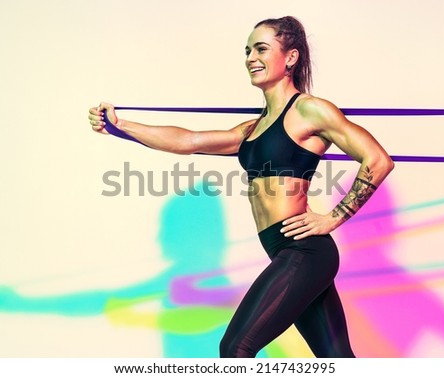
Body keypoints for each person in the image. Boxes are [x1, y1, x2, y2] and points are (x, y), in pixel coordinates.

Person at [88, 16, 394, 358]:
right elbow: (188, 140)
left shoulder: (310, 110)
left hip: (305, 252)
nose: (251, 57)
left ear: (290, 57)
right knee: (337, 360)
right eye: (247, 50)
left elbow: (378, 160)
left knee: (236, 348)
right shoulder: (253, 128)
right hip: (284, 251)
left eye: (261, 48)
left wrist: (333, 218)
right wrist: (121, 126)